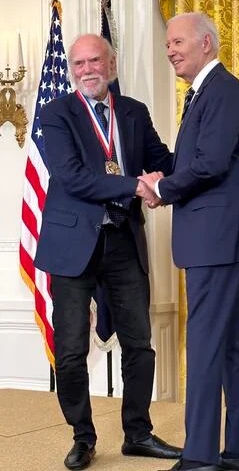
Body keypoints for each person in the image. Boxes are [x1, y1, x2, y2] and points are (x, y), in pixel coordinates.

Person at [34, 34, 181, 470]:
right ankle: (83, 437)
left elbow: (163, 160)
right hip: (71, 245)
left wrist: (179, 173)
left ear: (111, 64)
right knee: (71, 350)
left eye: (94, 60)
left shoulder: (133, 112)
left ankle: (138, 433)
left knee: (140, 343)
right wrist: (136, 185)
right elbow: (73, 177)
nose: (86, 70)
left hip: (122, 240)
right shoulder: (56, 112)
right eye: (78, 63)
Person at [139, 12, 239, 471]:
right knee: (230, 343)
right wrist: (163, 177)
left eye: (177, 42)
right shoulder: (203, 95)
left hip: (219, 240)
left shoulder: (224, 91)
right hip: (219, 239)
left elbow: (210, 164)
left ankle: (199, 459)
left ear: (206, 44)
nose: (169, 49)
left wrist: (163, 189)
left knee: (209, 343)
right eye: (169, 43)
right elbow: (194, 161)